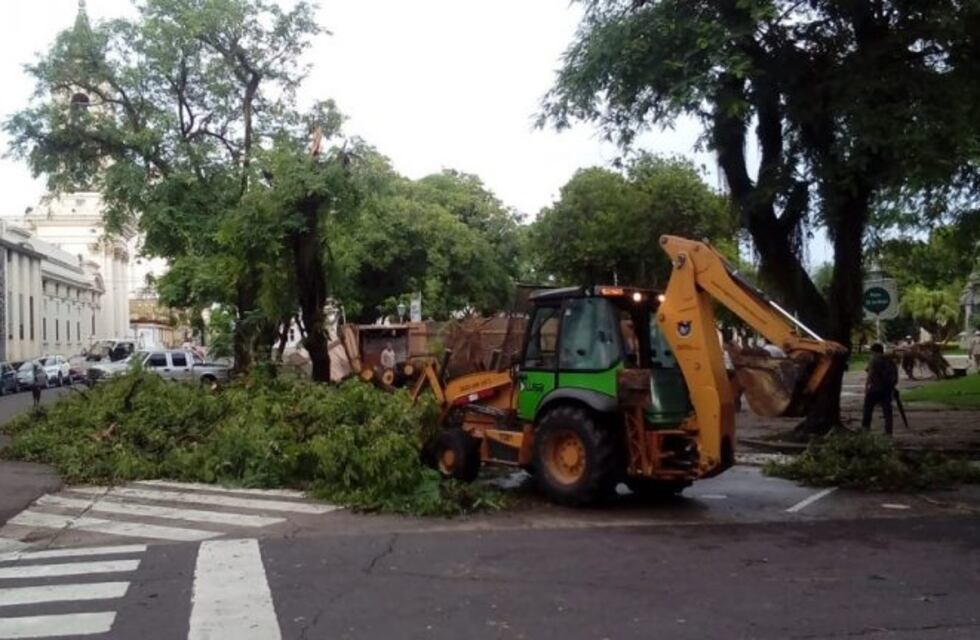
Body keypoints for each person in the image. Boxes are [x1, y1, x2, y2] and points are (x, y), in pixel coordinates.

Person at [863, 343, 899, 435]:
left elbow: (869, 372)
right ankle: (888, 431)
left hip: (874, 388)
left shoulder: (874, 359)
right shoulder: (889, 360)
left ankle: (865, 429)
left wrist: (867, 387)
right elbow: (894, 374)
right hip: (886, 389)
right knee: (887, 411)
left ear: (873, 351)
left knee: (868, 409)